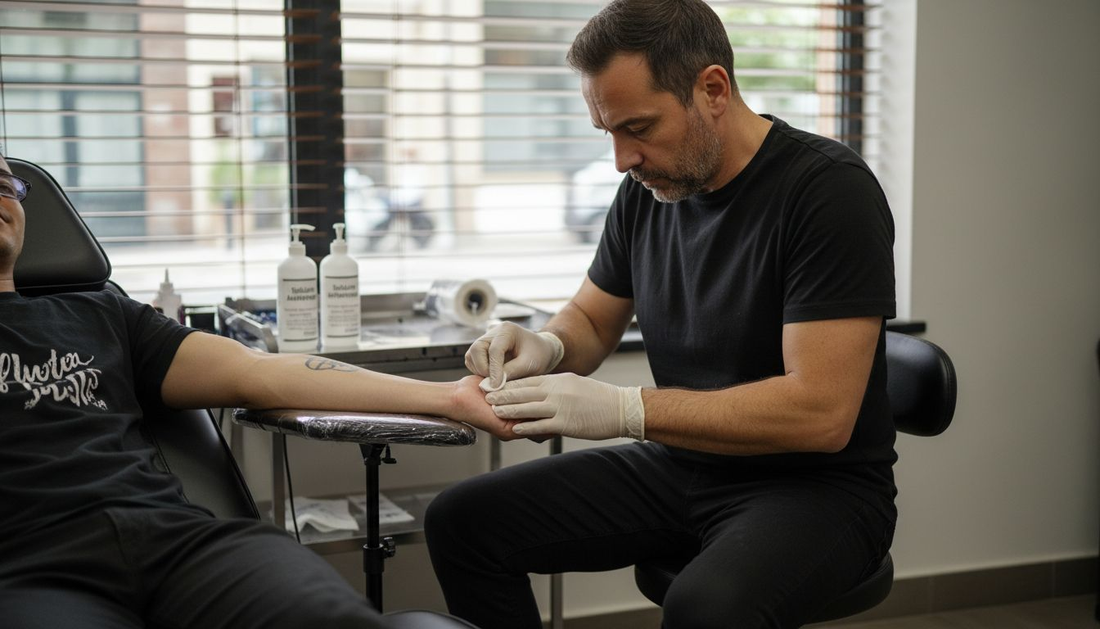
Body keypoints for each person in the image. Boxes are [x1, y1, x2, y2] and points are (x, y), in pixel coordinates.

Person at [423, 1, 897, 628]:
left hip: (817, 489)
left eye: (639, 128)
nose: (623, 159)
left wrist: (627, 410)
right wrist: (544, 346)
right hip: (685, 464)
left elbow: (820, 414)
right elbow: (591, 322)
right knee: (462, 521)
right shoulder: (648, 192)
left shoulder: (827, 191)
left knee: (706, 609)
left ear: (712, 89)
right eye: (609, 133)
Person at [0, 152, 515, 627]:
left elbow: (259, 371)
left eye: (4, 183)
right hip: (29, 566)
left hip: (180, 543)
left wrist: (451, 398)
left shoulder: (100, 314)